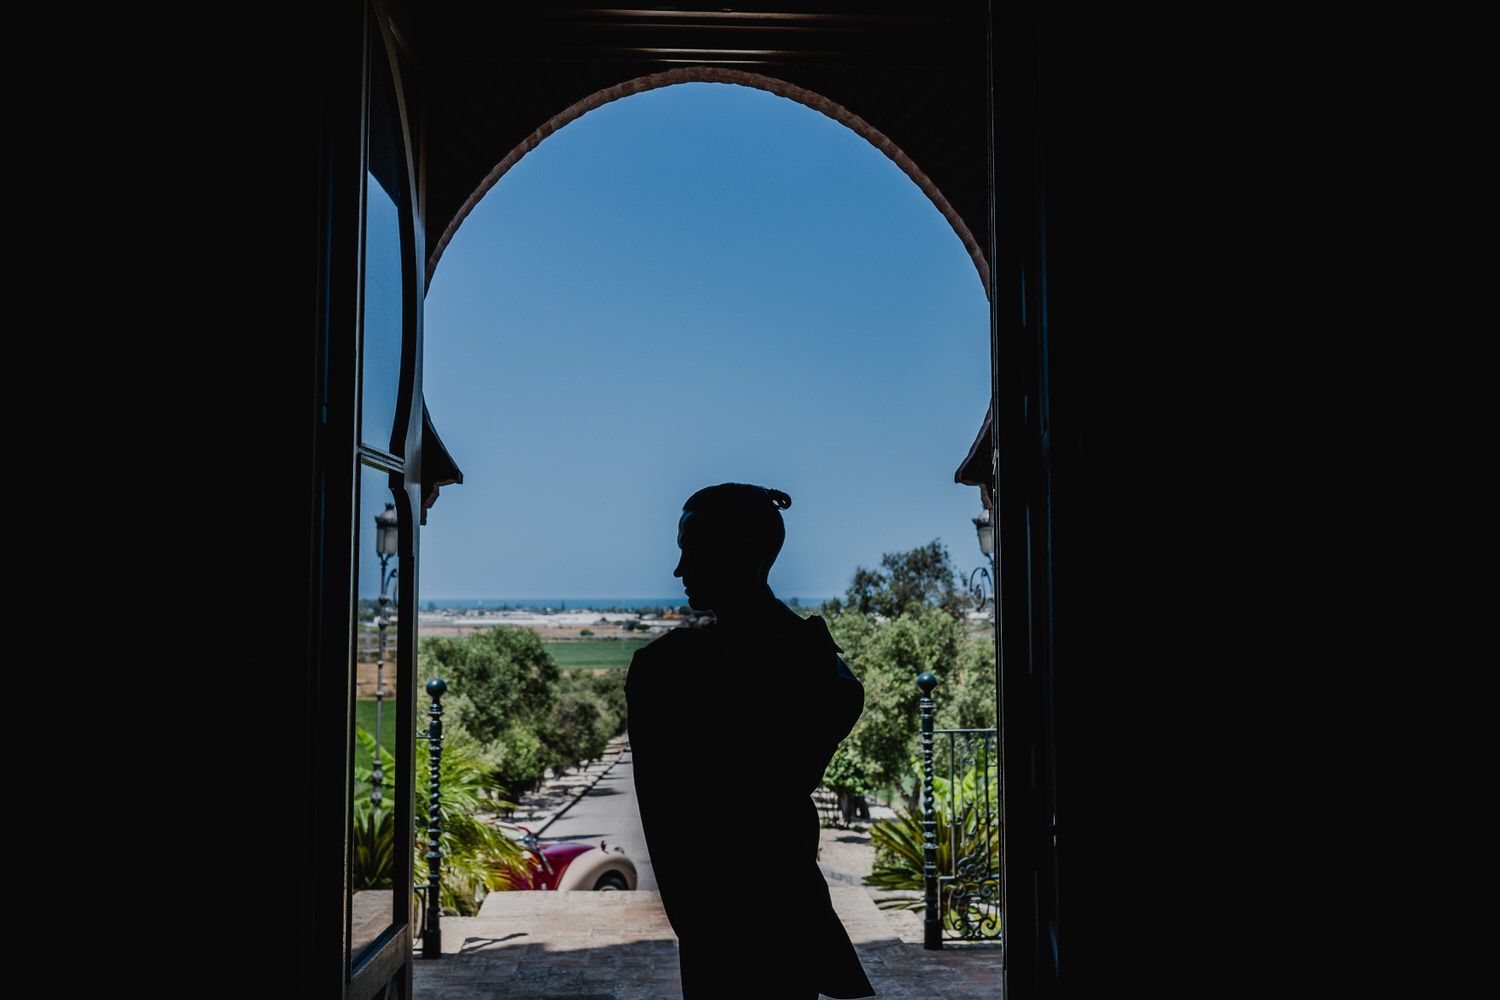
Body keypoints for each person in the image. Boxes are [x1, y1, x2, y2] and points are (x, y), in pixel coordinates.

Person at [625, 483, 877, 999]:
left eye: (690, 550)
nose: (679, 570)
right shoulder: (813, 662)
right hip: (786, 905)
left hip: (720, 917)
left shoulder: (667, 669)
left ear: (740, 552)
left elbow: (671, 815)